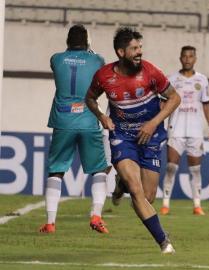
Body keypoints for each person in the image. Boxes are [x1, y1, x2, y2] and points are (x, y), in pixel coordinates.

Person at [85, 27, 180, 254]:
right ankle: (164, 243)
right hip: (123, 136)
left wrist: (153, 123)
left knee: (148, 198)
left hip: (151, 135)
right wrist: (102, 116)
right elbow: (89, 98)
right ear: (121, 52)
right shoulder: (104, 76)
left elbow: (175, 98)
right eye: (134, 49)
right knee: (137, 192)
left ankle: (122, 184)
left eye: (140, 48)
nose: (140, 52)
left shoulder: (151, 73)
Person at [39, 25, 110, 234]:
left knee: (56, 171)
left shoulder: (56, 58)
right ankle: (96, 216)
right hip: (88, 120)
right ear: (87, 41)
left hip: (63, 120)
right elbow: (97, 62)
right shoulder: (97, 59)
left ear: (67, 41)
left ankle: (50, 223)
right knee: (98, 169)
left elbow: (63, 64)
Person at [159, 45, 209, 216]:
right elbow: (163, 103)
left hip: (196, 131)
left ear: (195, 59)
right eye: (185, 56)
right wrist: (159, 124)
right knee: (170, 167)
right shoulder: (171, 79)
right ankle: (165, 204)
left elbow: (206, 105)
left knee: (195, 170)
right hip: (175, 129)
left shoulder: (202, 80)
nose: (188, 59)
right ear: (180, 58)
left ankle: (197, 205)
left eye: (191, 56)